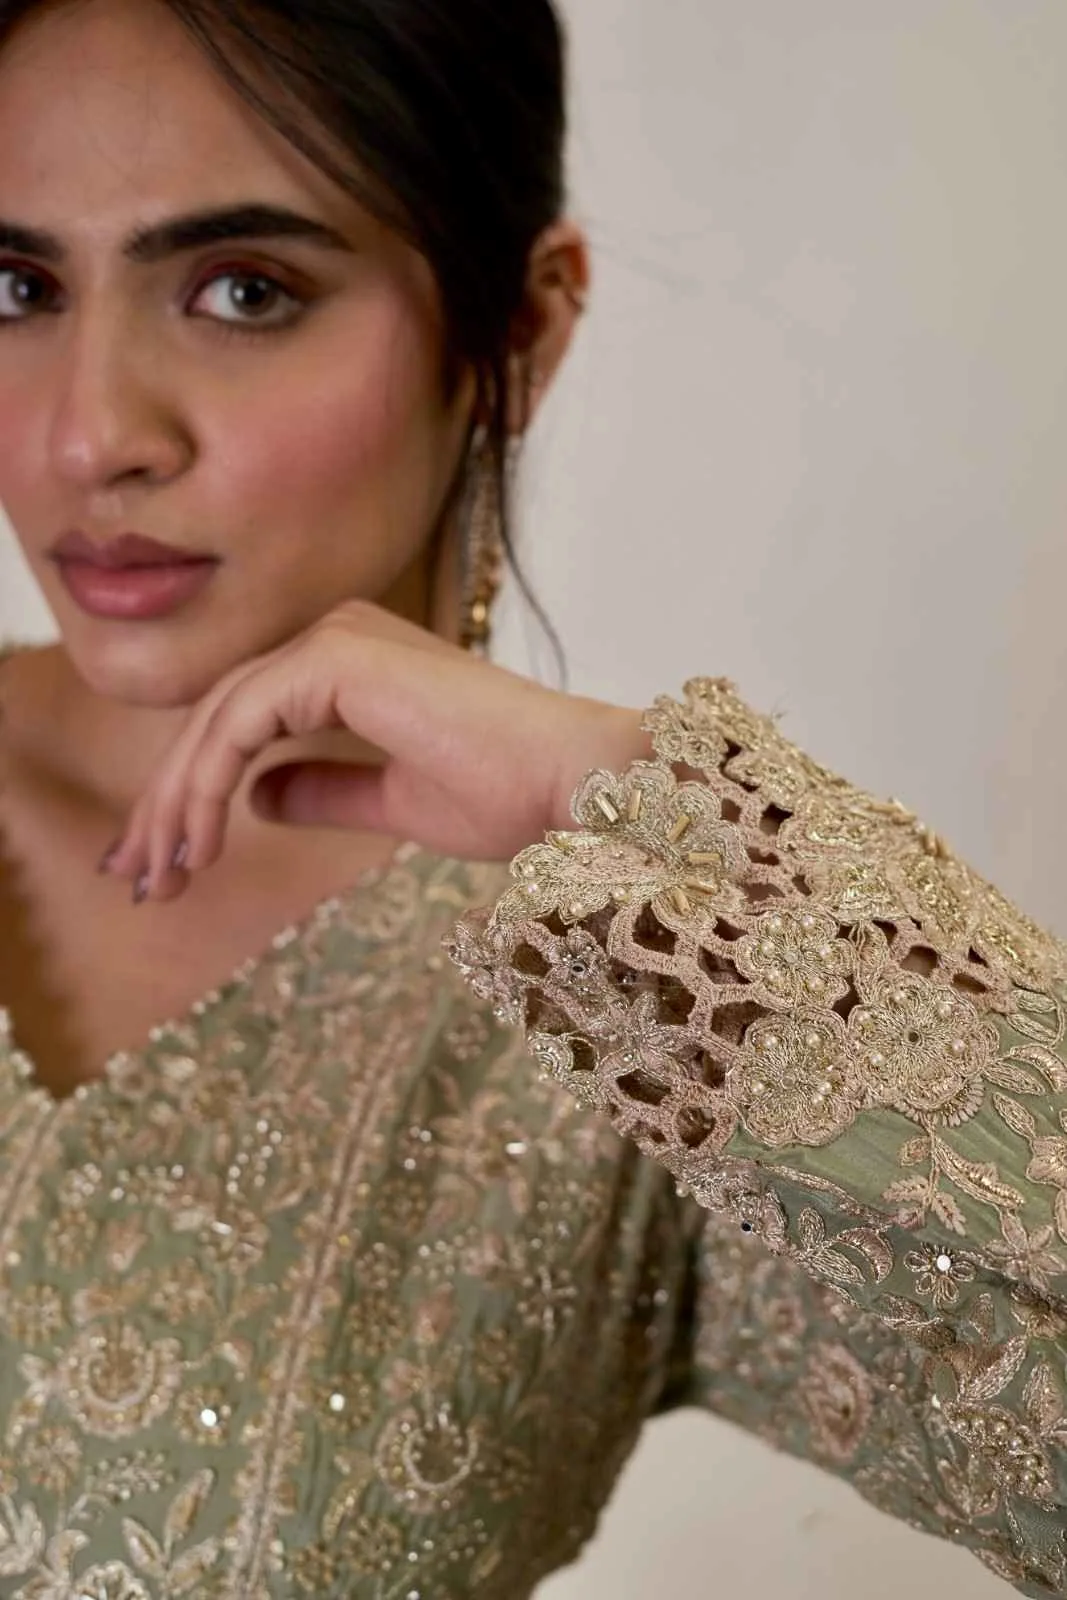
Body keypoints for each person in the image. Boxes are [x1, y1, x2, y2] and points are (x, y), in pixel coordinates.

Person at [0, 0, 1063, 1596]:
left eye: (243, 290)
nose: (90, 436)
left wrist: (629, 798)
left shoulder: (666, 1001)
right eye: (18, 288)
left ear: (520, 329)